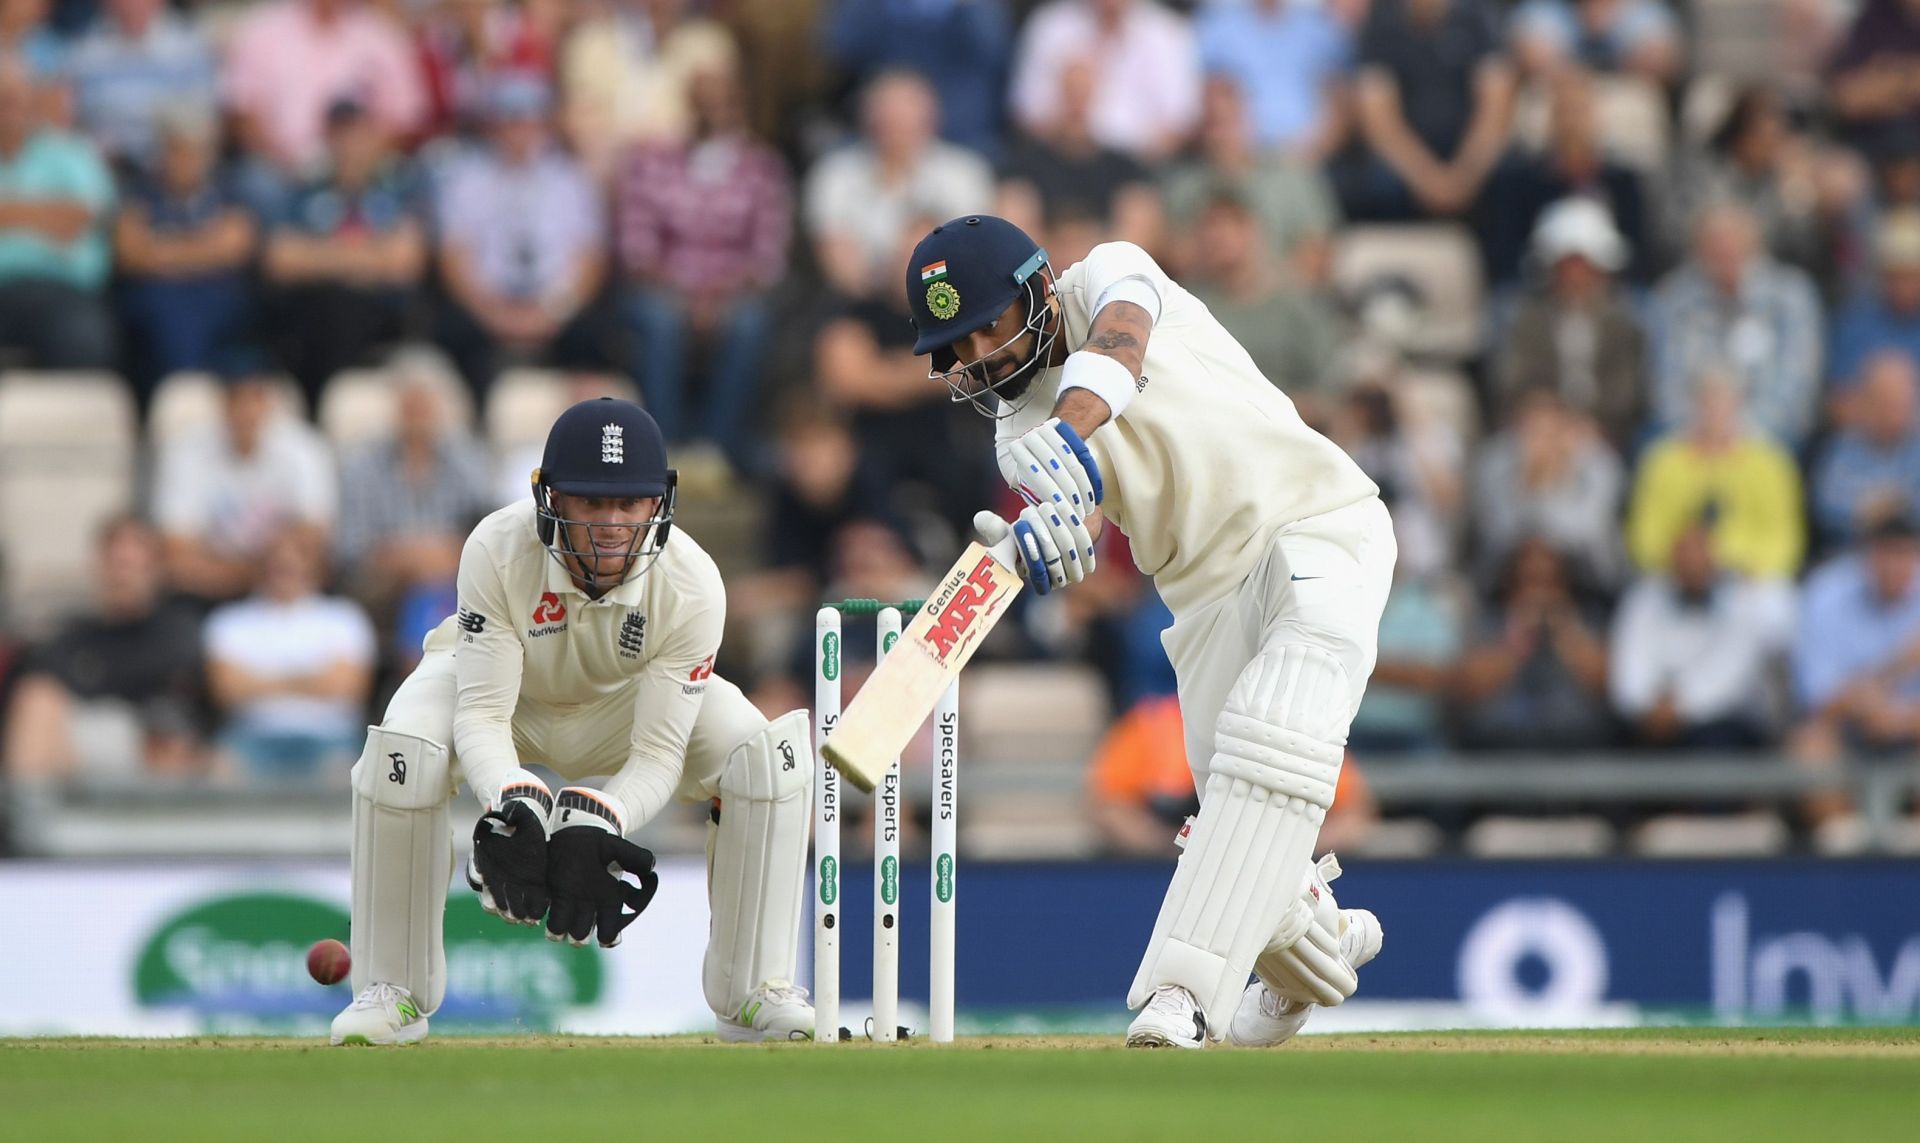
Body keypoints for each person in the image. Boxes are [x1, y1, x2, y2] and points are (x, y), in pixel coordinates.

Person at [903, 214, 1393, 1048]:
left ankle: (1180, 994)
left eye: (987, 325)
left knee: (1271, 740)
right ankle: (1325, 946)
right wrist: (1046, 543)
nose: (979, 355)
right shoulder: (1015, 433)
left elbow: (1121, 349)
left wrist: (1071, 431)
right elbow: (1080, 522)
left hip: (1315, 521)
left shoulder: (1107, 273)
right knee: (1249, 828)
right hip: (1202, 599)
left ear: (1037, 291)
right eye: (957, 345)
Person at [330, 397, 817, 1046]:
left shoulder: (694, 583)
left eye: (629, 503)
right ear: (550, 496)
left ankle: (755, 990)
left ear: (659, 502)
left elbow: (660, 751)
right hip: (504, 693)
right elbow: (481, 711)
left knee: (766, 756)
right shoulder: (497, 548)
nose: (611, 525)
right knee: (404, 754)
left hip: (623, 707)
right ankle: (389, 990)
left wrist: (599, 815)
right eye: (591, 502)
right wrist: (514, 799)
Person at [434, 74, 611, 399]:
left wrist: (552, 312)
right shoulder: (466, 179)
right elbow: (454, 258)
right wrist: (493, 313)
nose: (519, 134)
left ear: (544, 127)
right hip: (487, 307)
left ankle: (581, 427)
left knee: (594, 333)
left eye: (528, 123)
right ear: (493, 128)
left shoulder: (571, 181)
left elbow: (590, 261)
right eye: (510, 123)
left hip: (555, 308)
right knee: (451, 332)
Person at [2, 516, 205, 781]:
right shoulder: (73, 635)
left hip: (151, 743)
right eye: (115, 564)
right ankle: (24, 811)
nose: (122, 576)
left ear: (157, 570)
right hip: (81, 744)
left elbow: (171, 696)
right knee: (38, 700)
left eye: (132, 565)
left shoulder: (176, 628)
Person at [152, 354, 338, 603]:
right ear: (221, 402)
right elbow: (177, 554)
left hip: (286, 589)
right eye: (236, 398)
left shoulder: (304, 449)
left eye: (256, 397)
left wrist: (260, 570)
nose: (246, 410)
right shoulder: (186, 452)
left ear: (270, 402)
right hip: (210, 594)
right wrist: (259, 571)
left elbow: (314, 541)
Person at [205, 526, 377, 779]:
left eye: (295, 562)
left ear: (313, 567)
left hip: (330, 738)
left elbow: (348, 688)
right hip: (252, 737)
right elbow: (227, 691)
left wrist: (259, 682)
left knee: (344, 772)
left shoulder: (345, 618)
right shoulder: (230, 621)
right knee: (222, 768)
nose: (286, 572)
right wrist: (312, 680)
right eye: (278, 564)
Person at [1610, 517, 1794, 749]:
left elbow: (1730, 674)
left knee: (1717, 744)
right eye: (1684, 553)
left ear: (1714, 559)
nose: (1690, 562)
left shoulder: (1742, 601)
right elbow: (1630, 666)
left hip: (1718, 720)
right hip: (1650, 718)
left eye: (1697, 553)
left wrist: (1679, 707)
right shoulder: (1644, 598)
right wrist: (1648, 706)